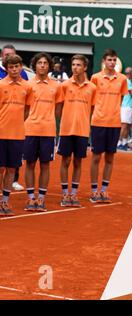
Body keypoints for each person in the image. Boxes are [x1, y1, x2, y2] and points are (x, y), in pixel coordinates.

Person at [24, 53, 63, 212]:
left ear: (49, 66)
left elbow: (58, 109)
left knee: (45, 164)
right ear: (35, 65)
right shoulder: (27, 85)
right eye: (39, 63)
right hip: (30, 129)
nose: (42, 65)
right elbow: (25, 109)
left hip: (48, 131)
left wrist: (47, 119)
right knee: (30, 164)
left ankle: (41, 198)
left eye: (45, 63)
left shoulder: (56, 86)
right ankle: (30, 198)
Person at [90, 49, 128, 203]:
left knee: (110, 158)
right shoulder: (95, 78)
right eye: (109, 60)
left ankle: (104, 190)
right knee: (96, 157)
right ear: (104, 61)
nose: (112, 63)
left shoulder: (123, 79)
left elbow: (121, 100)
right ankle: (94, 191)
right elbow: (92, 101)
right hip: (98, 122)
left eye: (114, 60)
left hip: (114, 123)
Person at [58, 55, 96, 207]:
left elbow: (92, 109)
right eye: (73, 64)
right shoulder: (65, 86)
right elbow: (59, 108)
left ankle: (73, 194)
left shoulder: (92, 88)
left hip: (82, 130)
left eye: (79, 65)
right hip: (66, 130)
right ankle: (64, 194)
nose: (75, 67)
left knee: (78, 161)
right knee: (65, 160)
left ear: (85, 67)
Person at [0, 55, 31, 215]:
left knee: (11, 169)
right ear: (6, 68)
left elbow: (26, 110)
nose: (14, 69)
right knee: (0, 169)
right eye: (11, 67)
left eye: (17, 66)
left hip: (18, 135)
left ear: (21, 67)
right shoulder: (0, 85)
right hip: (1, 134)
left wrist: (17, 123)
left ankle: (5, 202)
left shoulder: (27, 87)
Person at [118, 66, 132, 151]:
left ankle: (124, 142)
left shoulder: (126, 80)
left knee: (127, 126)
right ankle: (119, 143)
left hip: (127, 106)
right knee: (124, 126)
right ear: (130, 74)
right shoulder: (127, 81)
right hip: (126, 106)